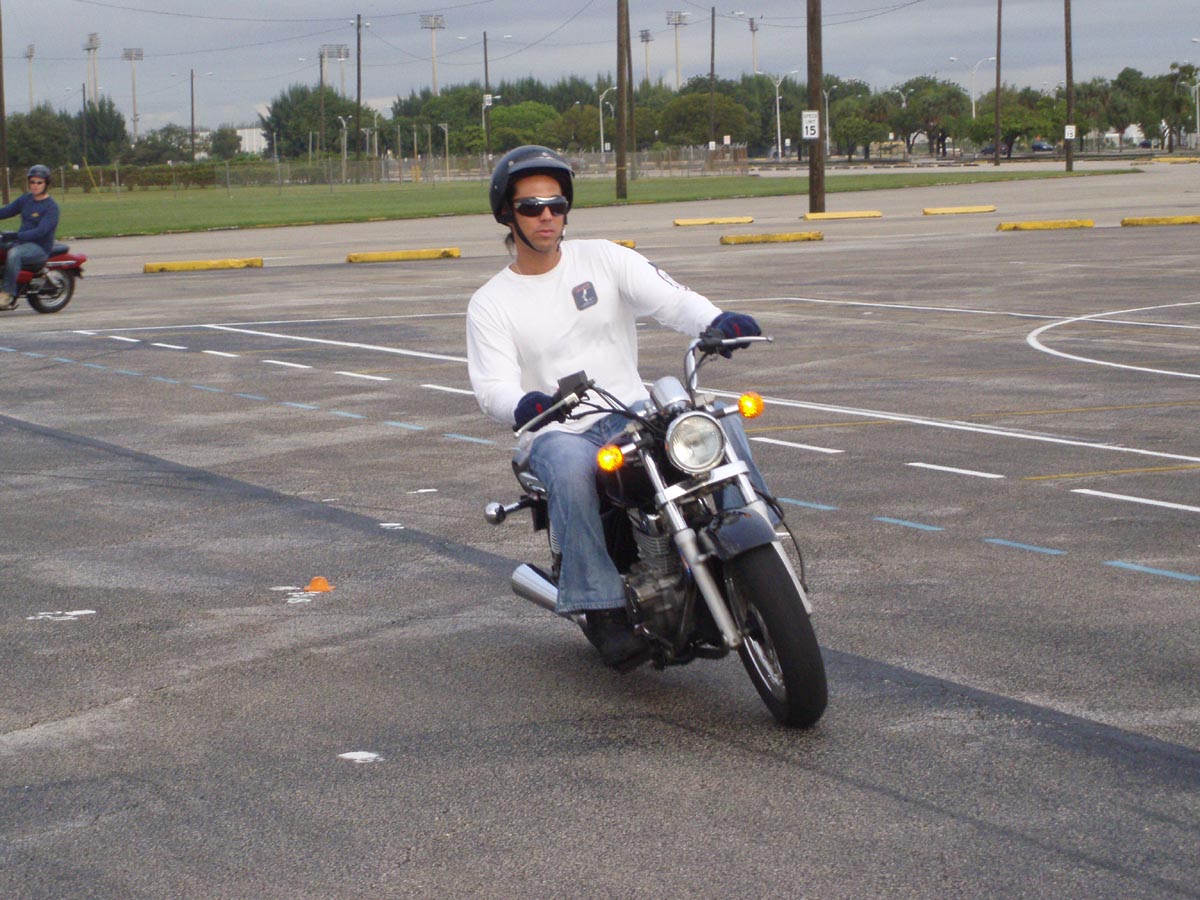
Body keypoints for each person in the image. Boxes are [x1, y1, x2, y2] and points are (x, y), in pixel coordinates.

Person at [466, 145, 764, 670]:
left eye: (556, 204)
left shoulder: (603, 258)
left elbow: (672, 299)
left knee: (714, 420)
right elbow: (492, 385)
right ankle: (600, 605)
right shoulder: (491, 301)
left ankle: (757, 537)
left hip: (629, 409)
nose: (546, 216)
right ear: (507, 214)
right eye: (531, 207)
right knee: (570, 468)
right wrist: (525, 403)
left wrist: (716, 321)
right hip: (556, 429)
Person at [0, 165, 60, 311]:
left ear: (46, 184)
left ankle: (7, 295)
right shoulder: (26, 199)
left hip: (39, 247)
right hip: (20, 241)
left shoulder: (51, 207)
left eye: (39, 182)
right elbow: (7, 211)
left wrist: (16, 235)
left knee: (14, 254)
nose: (35, 185)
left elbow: (41, 231)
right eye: (32, 182)